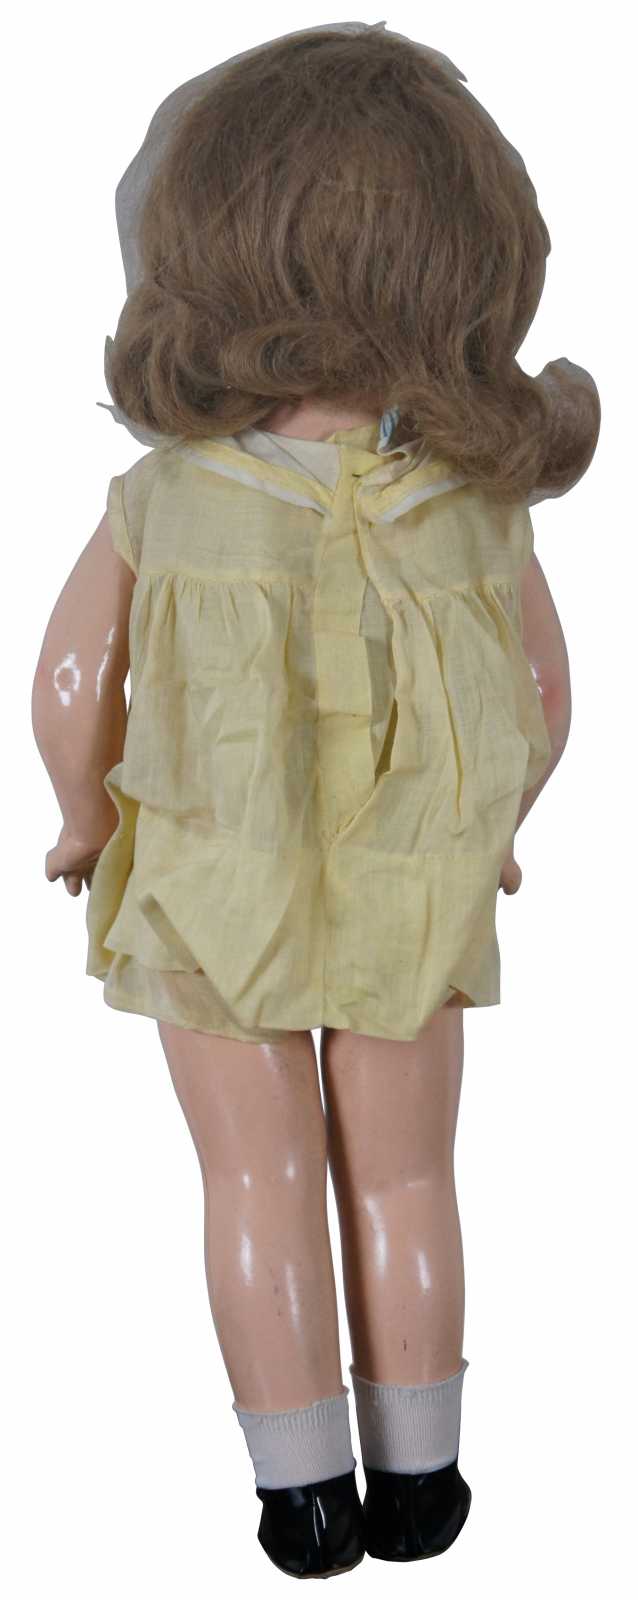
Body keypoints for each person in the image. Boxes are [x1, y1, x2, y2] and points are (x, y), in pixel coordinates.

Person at [31, 21, 600, 1580]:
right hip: (413, 880)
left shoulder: (166, 498)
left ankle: (301, 1492)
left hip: (211, 882)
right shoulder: (471, 507)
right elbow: (542, 695)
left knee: (255, 1173)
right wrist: (499, 824)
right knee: (406, 1173)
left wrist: (81, 816)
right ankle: (423, 1474)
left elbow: (72, 683)